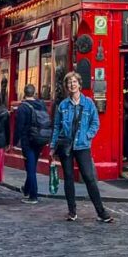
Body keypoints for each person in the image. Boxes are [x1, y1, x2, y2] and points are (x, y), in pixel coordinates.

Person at [50, 71, 113, 223]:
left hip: (82, 145)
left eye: (74, 82)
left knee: (89, 178)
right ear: (67, 86)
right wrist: (52, 146)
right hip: (66, 145)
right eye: (69, 82)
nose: (72, 84)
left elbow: (95, 123)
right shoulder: (63, 105)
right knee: (69, 178)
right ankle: (72, 211)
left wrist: (87, 136)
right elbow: (57, 126)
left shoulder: (89, 103)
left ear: (79, 84)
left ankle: (101, 211)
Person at [14, 84, 49, 204]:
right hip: (40, 138)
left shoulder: (22, 107)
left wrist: (14, 142)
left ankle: (33, 195)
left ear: (24, 92)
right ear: (34, 93)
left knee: (30, 168)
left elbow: (19, 127)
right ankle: (27, 189)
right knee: (32, 165)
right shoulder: (42, 104)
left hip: (28, 140)